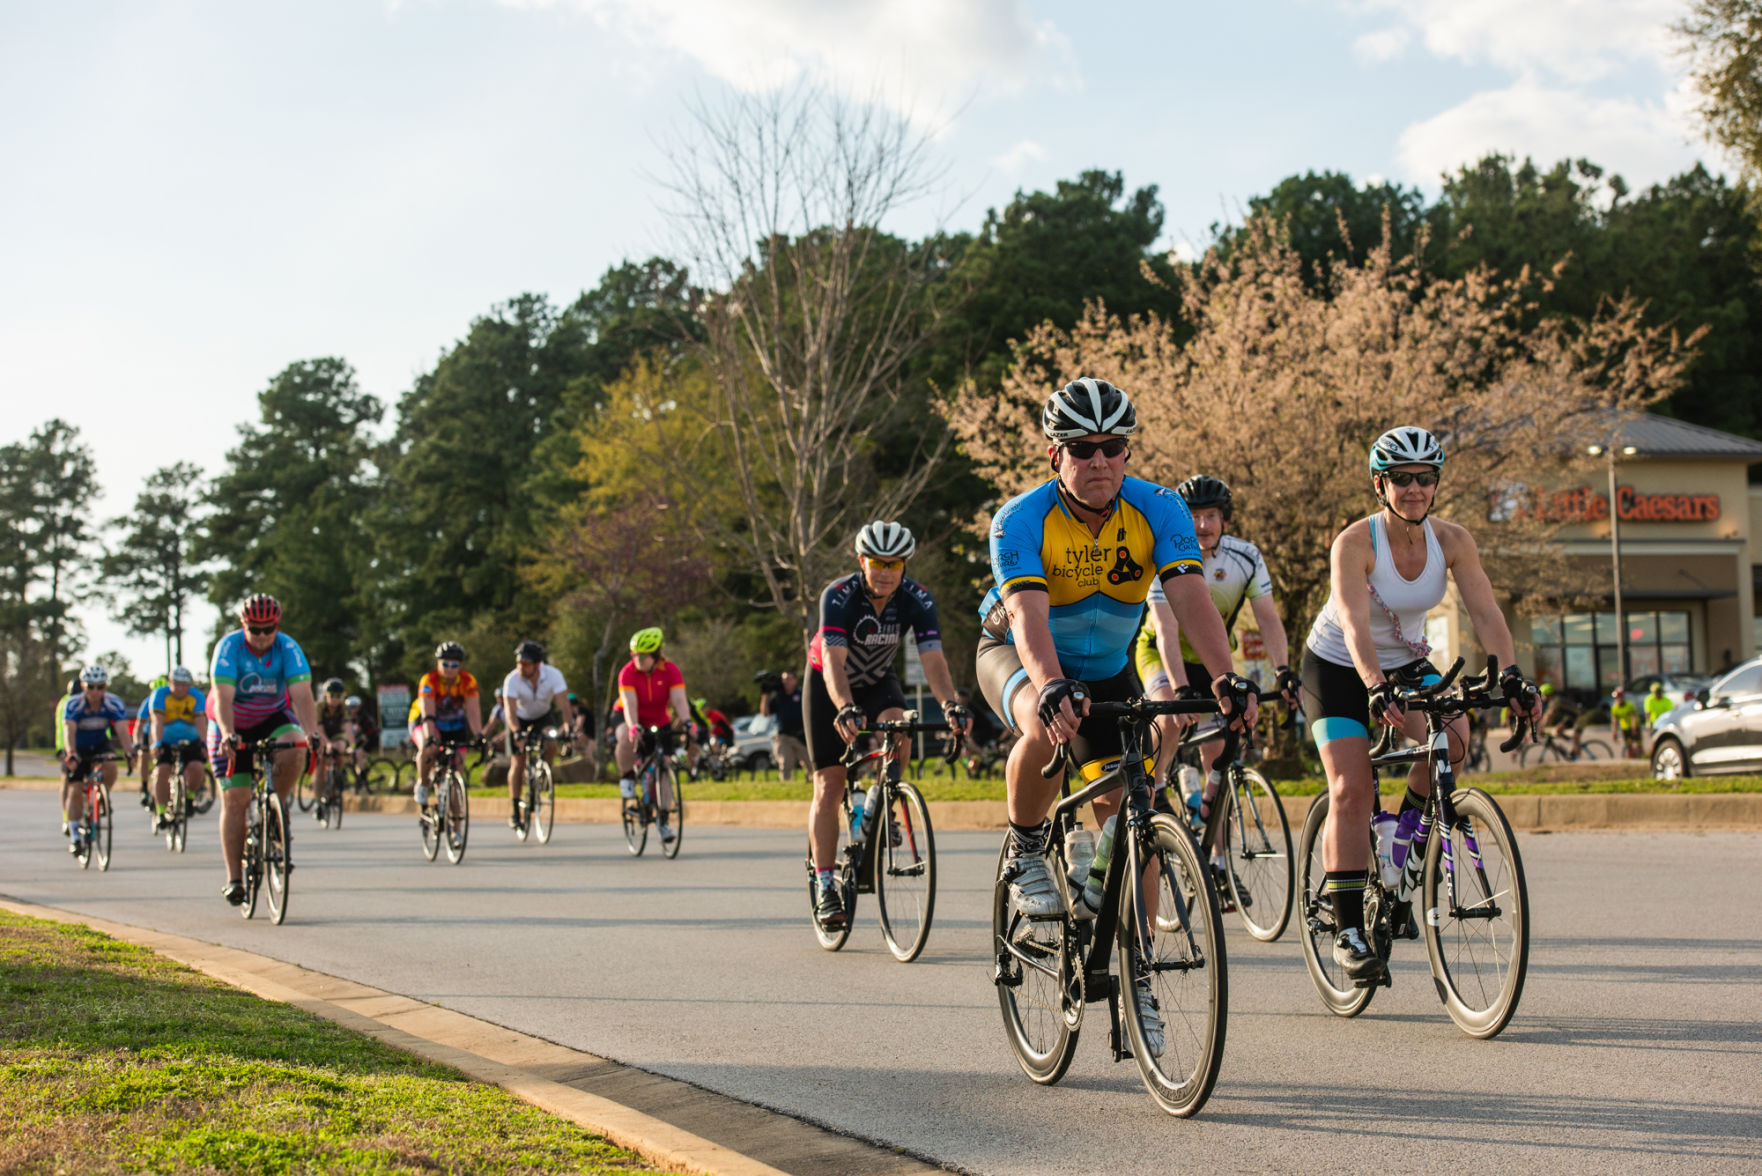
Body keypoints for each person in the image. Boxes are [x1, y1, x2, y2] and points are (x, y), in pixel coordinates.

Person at [978, 378, 1256, 1056]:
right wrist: (1048, 686)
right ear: (1055, 456)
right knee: (1043, 721)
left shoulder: (1160, 507)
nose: (1099, 460)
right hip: (1018, 654)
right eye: (1082, 448)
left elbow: (1192, 600)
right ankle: (1027, 846)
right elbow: (1027, 618)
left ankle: (1137, 979)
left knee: (1133, 816)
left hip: (1107, 669)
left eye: (1113, 447)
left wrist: (1223, 678)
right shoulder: (1020, 519)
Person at [1300, 426, 1541, 983]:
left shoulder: (1452, 540)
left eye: (1424, 478)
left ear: (1436, 484)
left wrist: (1510, 674)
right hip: (1338, 664)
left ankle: (1401, 841)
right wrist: (1374, 685)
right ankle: (1347, 931)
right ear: (1380, 484)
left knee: (1452, 743)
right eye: (1401, 479)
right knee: (1351, 785)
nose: (1414, 489)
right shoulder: (1355, 543)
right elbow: (1356, 625)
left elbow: (1484, 611)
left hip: (1406, 661)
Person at [1133, 474, 1300, 902]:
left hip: (1211, 658)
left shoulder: (1246, 557)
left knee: (1220, 758)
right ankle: (1156, 794)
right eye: (1193, 516)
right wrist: (1182, 689)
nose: (1202, 524)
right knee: (1169, 718)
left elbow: (1268, 618)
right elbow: (1167, 631)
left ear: (1225, 519)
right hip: (1160, 654)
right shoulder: (1164, 554)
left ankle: (1218, 863)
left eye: (1211, 516)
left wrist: (1283, 670)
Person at [806, 521, 969, 929]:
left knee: (900, 726)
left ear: (904, 565)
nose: (884, 571)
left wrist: (951, 705)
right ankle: (826, 884)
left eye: (893, 563)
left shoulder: (916, 598)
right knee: (829, 783)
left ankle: (884, 800)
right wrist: (843, 707)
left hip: (878, 680)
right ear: (862, 561)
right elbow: (835, 661)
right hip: (830, 680)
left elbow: (933, 658)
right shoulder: (839, 596)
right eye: (876, 562)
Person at [207, 594, 320, 906]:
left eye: (267, 629)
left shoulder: (288, 647)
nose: (261, 636)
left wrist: (312, 733)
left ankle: (276, 808)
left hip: (272, 716)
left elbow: (302, 695)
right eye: (254, 629)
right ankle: (234, 878)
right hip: (230, 720)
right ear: (244, 626)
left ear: (277, 626)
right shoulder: (229, 648)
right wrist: (228, 734)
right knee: (236, 800)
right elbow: (223, 698)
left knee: (296, 745)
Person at [614, 628, 691, 844]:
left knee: (664, 770)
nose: (637, 659)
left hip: (659, 720)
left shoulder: (670, 670)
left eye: (642, 655)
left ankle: (663, 822)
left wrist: (686, 722)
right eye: (634, 655)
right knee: (625, 736)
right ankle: (627, 777)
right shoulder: (627, 672)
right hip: (628, 716)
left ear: (655, 655)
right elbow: (629, 704)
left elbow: (679, 700)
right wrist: (633, 726)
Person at [501, 641, 578, 830]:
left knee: (551, 742)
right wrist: (517, 732)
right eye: (519, 662)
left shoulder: (553, 675)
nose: (521, 666)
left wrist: (568, 726)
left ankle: (544, 775)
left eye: (525, 663)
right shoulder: (512, 680)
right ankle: (514, 809)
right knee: (518, 761)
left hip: (543, 717)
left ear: (537, 664)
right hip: (519, 718)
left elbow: (563, 705)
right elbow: (510, 711)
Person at [60, 665, 132, 852]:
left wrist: (129, 752)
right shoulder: (74, 703)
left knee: (111, 765)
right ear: (83, 686)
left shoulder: (113, 702)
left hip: (100, 742)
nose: (95, 691)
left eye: (100, 687)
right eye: (91, 687)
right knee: (75, 789)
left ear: (105, 687)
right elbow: (69, 730)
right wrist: (71, 753)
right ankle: (75, 834)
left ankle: (100, 796)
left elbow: (122, 729)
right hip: (78, 745)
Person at [412, 643, 484, 807]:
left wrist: (479, 735)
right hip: (429, 723)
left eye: (454, 665)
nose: (449, 668)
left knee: (456, 768)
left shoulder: (468, 681)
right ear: (438, 663)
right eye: (445, 664)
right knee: (429, 748)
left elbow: (473, 712)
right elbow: (428, 714)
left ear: (460, 666)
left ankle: (457, 826)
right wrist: (431, 737)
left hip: (454, 725)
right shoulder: (429, 680)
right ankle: (423, 784)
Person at [149, 667, 208, 832]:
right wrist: (157, 743)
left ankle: (189, 797)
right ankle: (161, 811)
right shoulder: (161, 695)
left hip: (190, 740)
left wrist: (204, 743)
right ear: (170, 683)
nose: (180, 688)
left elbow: (200, 722)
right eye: (176, 684)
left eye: (184, 685)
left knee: (197, 767)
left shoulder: (196, 696)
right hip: (166, 740)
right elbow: (157, 722)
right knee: (162, 770)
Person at [313, 678, 352, 813]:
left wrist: (351, 746)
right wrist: (327, 744)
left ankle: (338, 776)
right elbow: (319, 729)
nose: (335, 699)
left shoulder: (342, 708)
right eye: (332, 696)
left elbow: (347, 728)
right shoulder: (319, 707)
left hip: (336, 735)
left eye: (338, 696)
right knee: (321, 766)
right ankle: (318, 800)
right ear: (326, 695)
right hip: (321, 734)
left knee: (340, 749)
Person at [761, 670, 807, 782]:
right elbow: (765, 713)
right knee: (785, 762)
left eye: (788, 679)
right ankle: (786, 785)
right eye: (784, 679)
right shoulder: (778, 696)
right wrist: (765, 694)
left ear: (795, 680)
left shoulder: (801, 694)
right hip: (784, 736)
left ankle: (813, 785)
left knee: (810, 763)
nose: (785, 681)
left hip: (801, 735)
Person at [1537, 684, 1584, 758]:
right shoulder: (1552, 702)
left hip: (1580, 717)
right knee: (1557, 730)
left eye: (1542, 695)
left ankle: (1577, 758)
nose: (1542, 697)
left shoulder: (1556, 701)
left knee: (1575, 737)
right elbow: (1547, 716)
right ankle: (1573, 744)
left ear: (1547, 694)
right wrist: (1540, 726)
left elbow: (1549, 715)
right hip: (1572, 717)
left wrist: (1540, 728)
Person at [1610, 687, 1642, 757]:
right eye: (1616, 698)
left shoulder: (1629, 705)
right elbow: (1614, 722)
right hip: (1625, 728)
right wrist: (1614, 733)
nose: (1618, 699)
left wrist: (1634, 729)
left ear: (1623, 697)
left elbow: (1633, 718)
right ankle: (1631, 758)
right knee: (1629, 745)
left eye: (1619, 697)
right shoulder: (1615, 708)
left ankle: (1641, 757)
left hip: (1634, 727)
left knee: (1638, 744)